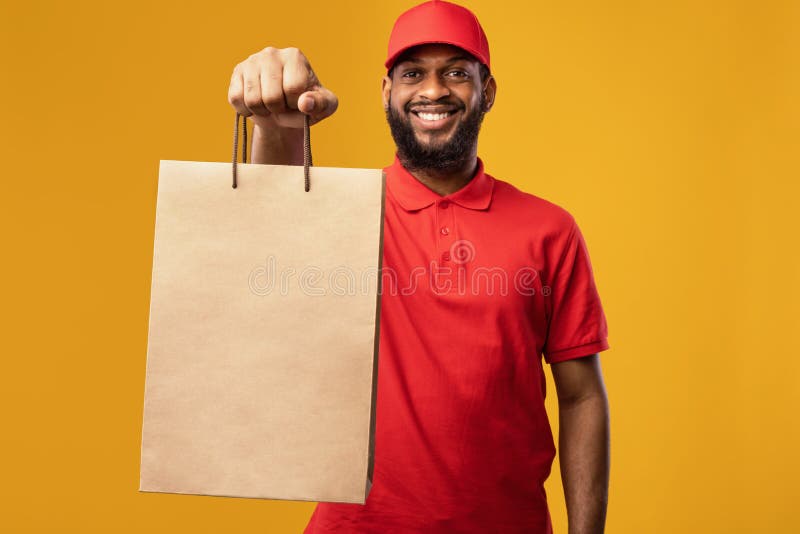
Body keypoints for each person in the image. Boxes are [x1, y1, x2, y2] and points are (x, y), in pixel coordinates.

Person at [228, 1, 610, 532]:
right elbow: (268, 233)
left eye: (455, 71)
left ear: (488, 91)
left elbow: (582, 395)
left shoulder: (550, 231)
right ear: (388, 93)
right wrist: (279, 125)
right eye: (413, 74)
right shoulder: (342, 214)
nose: (433, 91)